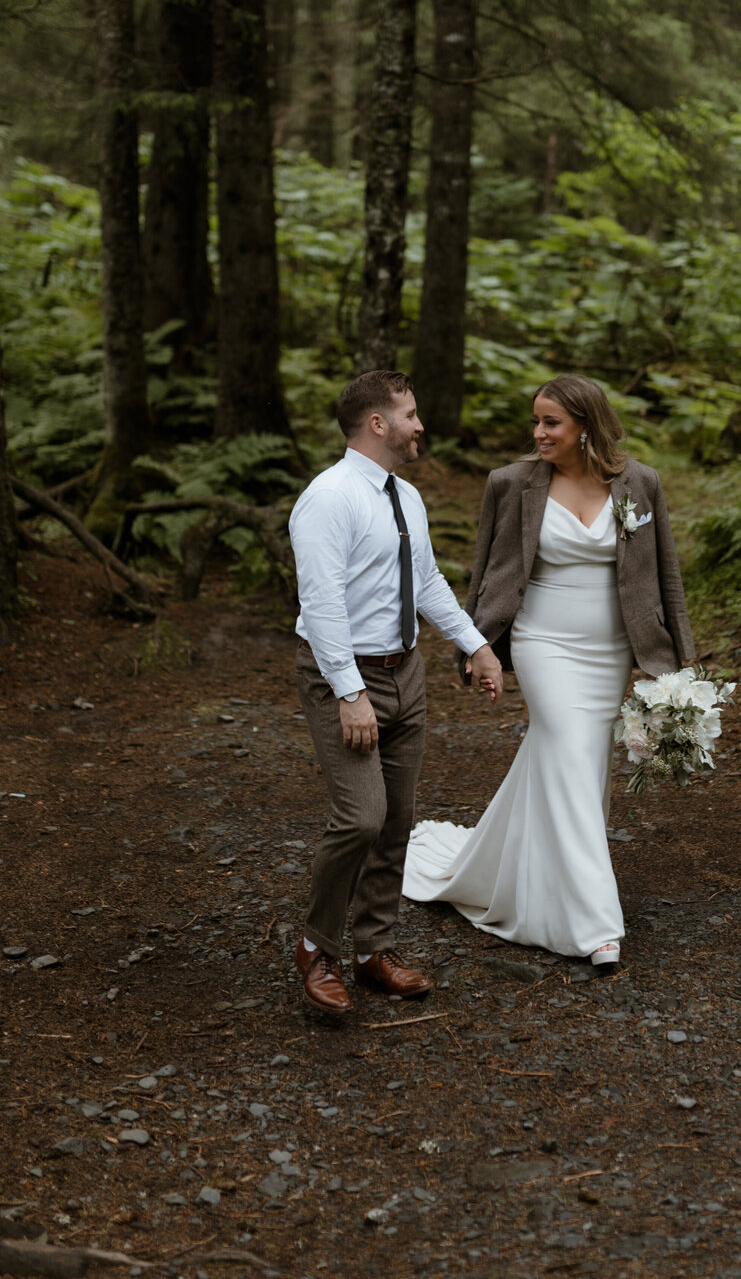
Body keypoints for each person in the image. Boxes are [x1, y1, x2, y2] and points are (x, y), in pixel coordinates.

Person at [403, 374, 695, 967]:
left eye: (550, 423)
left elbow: (665, 574)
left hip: (610, 649)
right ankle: (595, 925)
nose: (538, 433)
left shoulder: (639, 483)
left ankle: (514, 874)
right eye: (535, 422)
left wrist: (677, 664)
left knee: (580, 769)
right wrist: (476, 648)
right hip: (543, 641)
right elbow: (487, 573)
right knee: (563, 746)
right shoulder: (510, 485)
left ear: (585, 425)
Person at [288, 369, 503, 1018]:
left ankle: (371, 950)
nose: (419, 425)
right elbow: (321, 603)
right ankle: (315, 948)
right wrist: (349, 691)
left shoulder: (405, 497)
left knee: (398, 820)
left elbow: (428, 580)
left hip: (405, 670)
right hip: (345, 672)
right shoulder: (327, 499)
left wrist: (475, 643)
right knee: (361, 816)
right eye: (409, 414)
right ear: (377, 423)